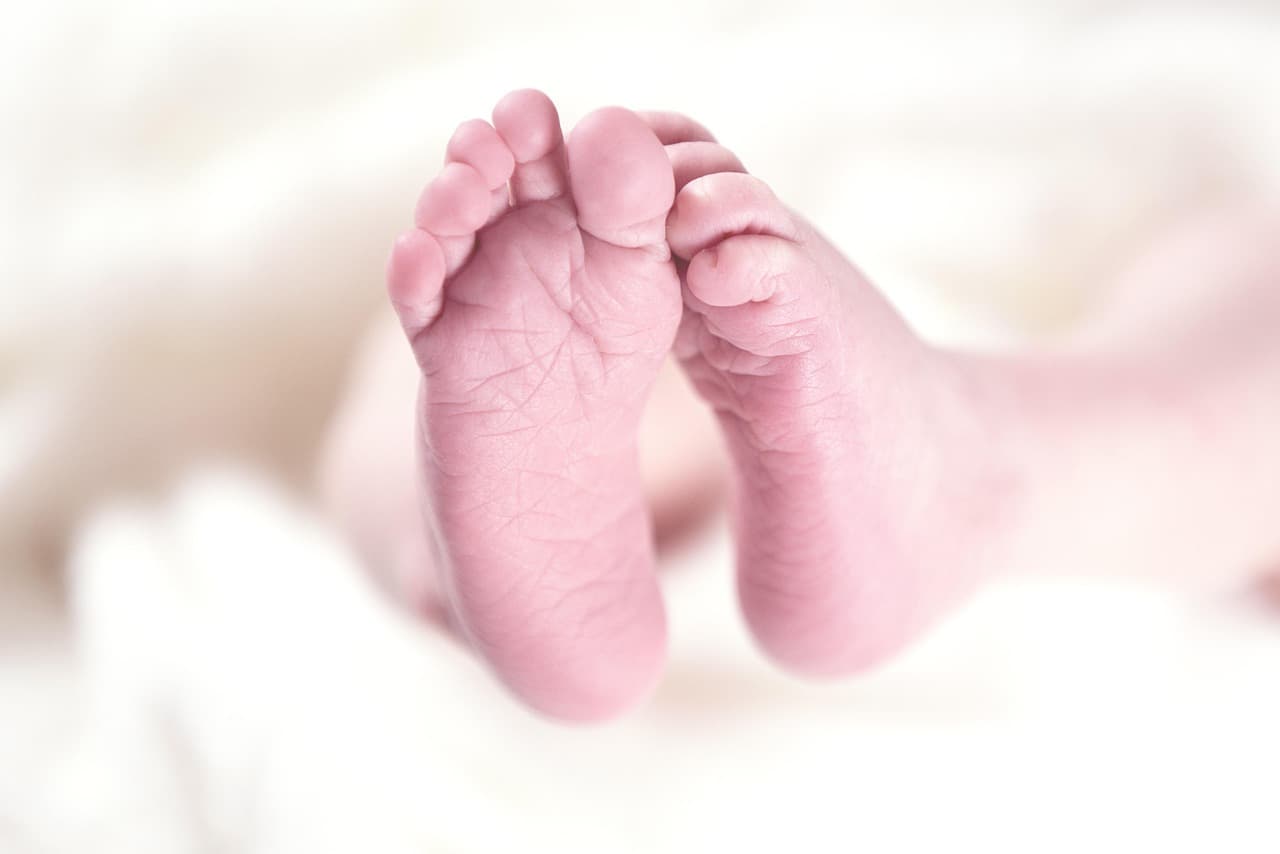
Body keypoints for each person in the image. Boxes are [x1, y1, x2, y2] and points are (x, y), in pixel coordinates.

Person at [321, 90, 1280, 722]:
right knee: (490, 320)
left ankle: (437, 535)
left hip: (1011, 371)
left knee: (423, 353)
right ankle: (466, 531)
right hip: (927, 364)